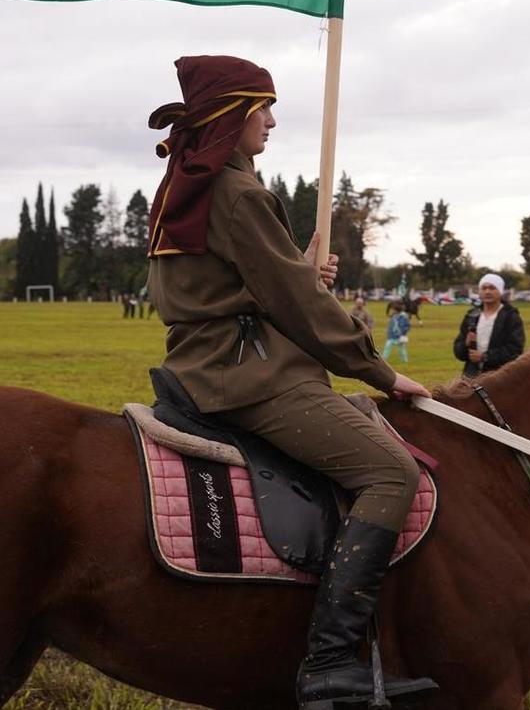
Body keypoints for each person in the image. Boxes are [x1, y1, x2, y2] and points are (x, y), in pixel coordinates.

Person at [147, 56, 436, 710]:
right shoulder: (240, 192)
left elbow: (224, 286)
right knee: (392, 473)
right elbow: (300, 311)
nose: (272, 122)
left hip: (202, 361)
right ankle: (332, 662)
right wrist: (378, 370)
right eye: (262, 108)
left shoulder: (184, 181)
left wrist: (296, 269)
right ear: (232, 114)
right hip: (247, 376)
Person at [453, 273, 525, 379]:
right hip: (471, 377)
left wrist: (484, 357)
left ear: (500, 291)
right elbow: (458, 352)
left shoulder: (510, 317)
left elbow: (515, 350)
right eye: (484, 288)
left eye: (492, 288)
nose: (487, 292)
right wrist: (465, 344)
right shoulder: (472, 316)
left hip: (500, 377)